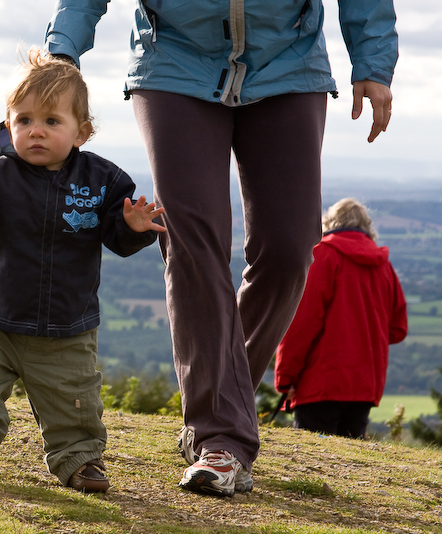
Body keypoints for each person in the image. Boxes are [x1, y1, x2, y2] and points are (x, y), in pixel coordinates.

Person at [44, 0, 398, 497]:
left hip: (288, 64)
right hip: (174, 61)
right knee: (190, 238)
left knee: (290, 249)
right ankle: (220, 436)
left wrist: (373, 61)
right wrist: (62, 49)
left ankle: (220, 397)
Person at [0, 48, 166, 493]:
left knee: (72, 398)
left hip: (66, 324)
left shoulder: (104, 180)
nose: (36, 132)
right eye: (24, 121)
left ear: (81, 132)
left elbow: (120, 237)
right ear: (8, 124)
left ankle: (79, 460)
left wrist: (132, 227)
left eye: (52, 122)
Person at [274, 198, 407, 438]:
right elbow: (397, 328)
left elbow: (301, 322)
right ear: (367, 227)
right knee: (351, 463)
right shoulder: (384, 265)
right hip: (365, 385)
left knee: (316, 459)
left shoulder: (322, 256)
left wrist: (286, 378)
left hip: (320, 381)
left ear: (329, 222)